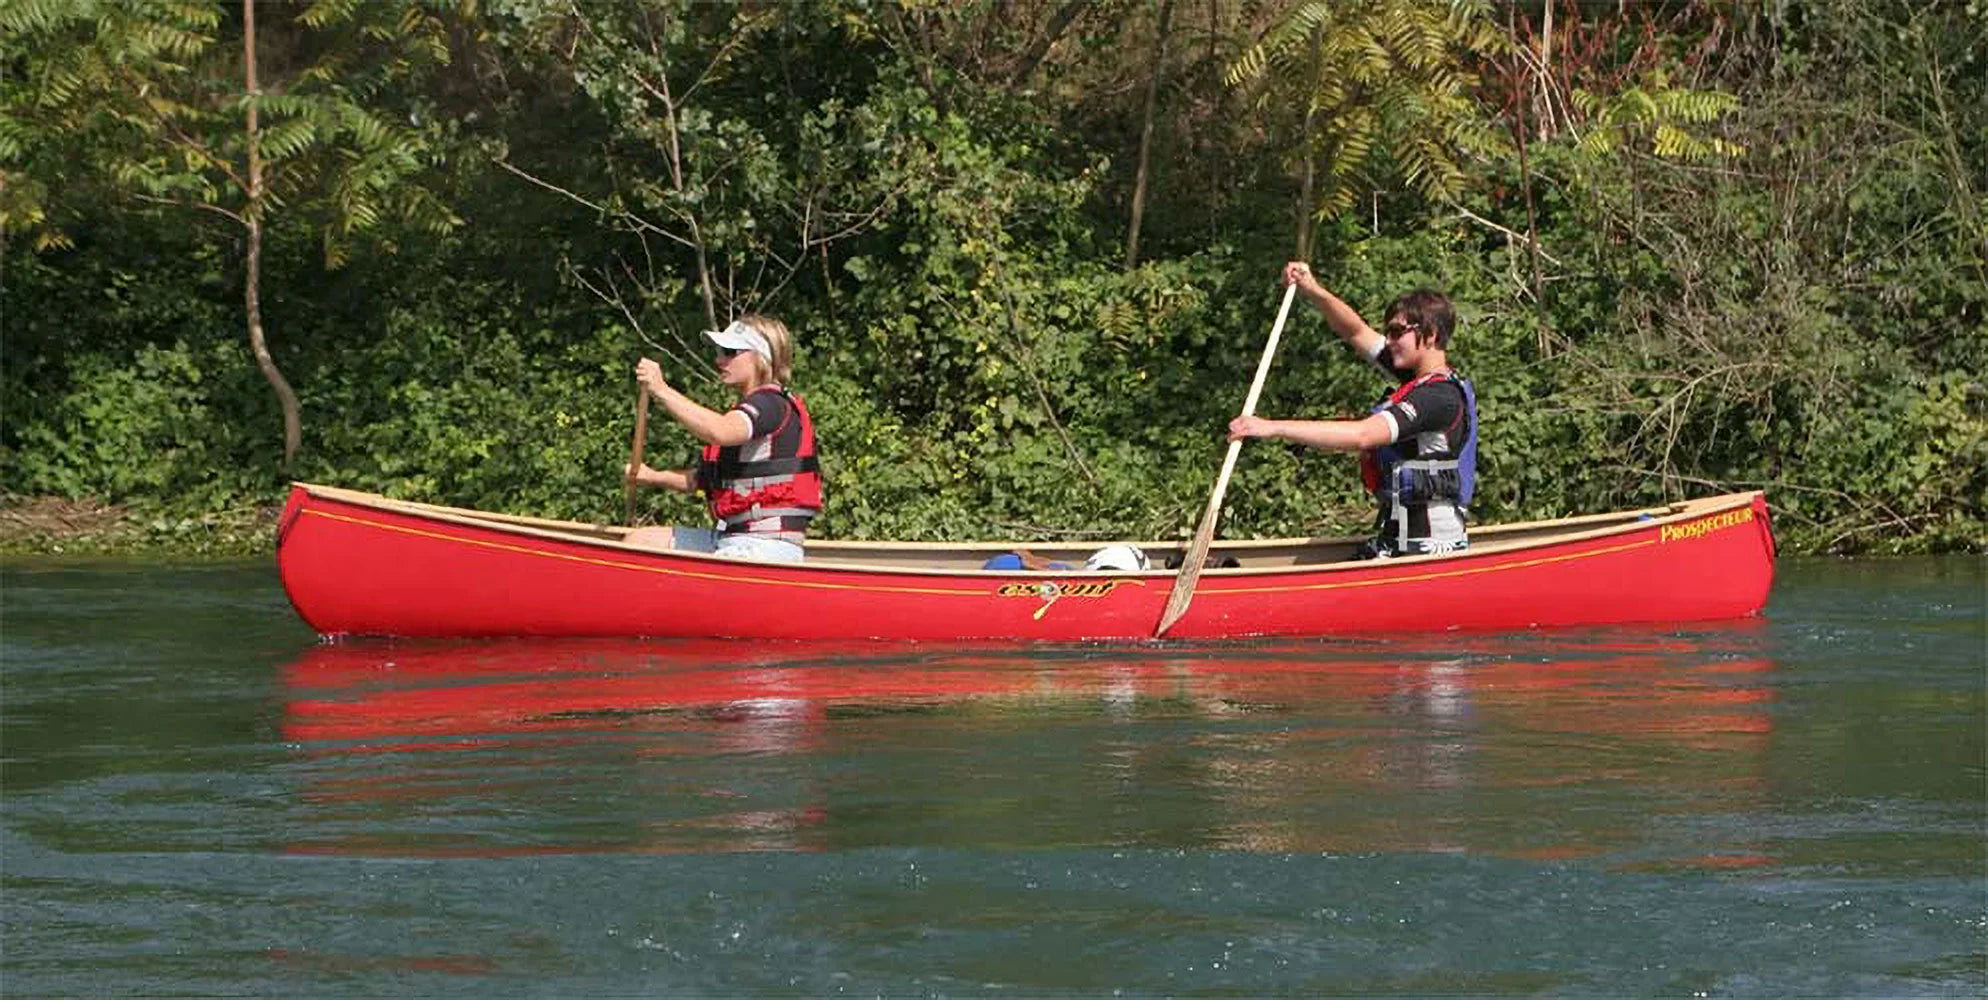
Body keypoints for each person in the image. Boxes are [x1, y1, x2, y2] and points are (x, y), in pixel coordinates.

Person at [1227, 262, 1478, 559]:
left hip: (1427, 546)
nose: (1389, 341)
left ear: (1432, 334)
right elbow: (1355, 331)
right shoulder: (1416, 380)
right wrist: (1312, 289)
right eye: (1389, 332)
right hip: (1398, 538)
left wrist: (1271, 427)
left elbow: (1363, 435)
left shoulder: (1438, 398)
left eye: (1398, 332)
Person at [623, 314, 821, 563]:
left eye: (730, 351)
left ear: (760, 357)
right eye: (719, 351)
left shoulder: (770, 404)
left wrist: (661, 390)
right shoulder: (751, 408)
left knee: (638, 554)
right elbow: (702, 480)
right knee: (640, 542)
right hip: (732, 536)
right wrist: (651, 476)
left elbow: (721, 432)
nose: (719, 359)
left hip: (764, 545)